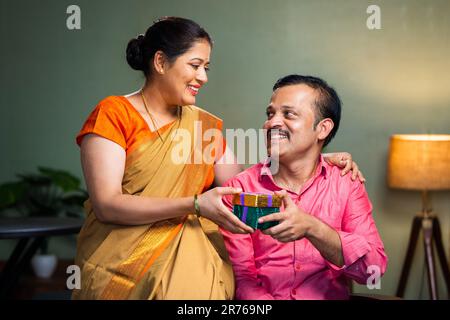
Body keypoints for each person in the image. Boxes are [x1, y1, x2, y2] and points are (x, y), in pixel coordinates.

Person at [72, 17, 364, 300]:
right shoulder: (114, 113)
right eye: (195, 65)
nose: (203, 77)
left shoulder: (202, 126)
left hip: (185, 254)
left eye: (206, 67)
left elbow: (243, 190)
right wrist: (195, 205)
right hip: (119, 255)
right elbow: (107, 205)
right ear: (161, 62)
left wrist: (310, 158)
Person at [221, 75, 388, 300]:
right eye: (270, 114)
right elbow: (242, 280)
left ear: (322, 129)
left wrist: (313, 228)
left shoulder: (346, 183)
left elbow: (372, 272)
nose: (272, 123)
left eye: (288, 114)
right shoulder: (240, 188)